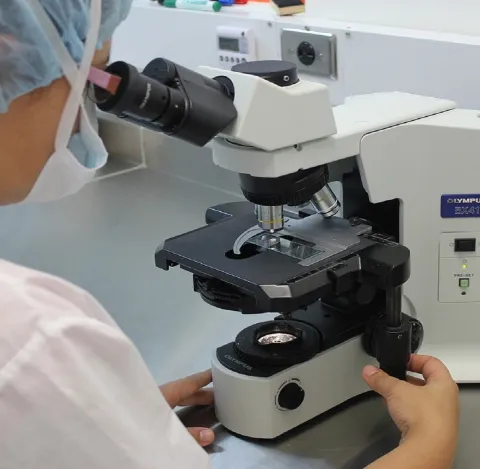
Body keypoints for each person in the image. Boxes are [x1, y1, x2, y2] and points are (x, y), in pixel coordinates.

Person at [0, 1, 459, 468]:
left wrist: (109, 423)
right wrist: (431, 447)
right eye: (90, 80)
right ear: (11, 51)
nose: (83, 115)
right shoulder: (36, 342)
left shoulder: (30, 343)